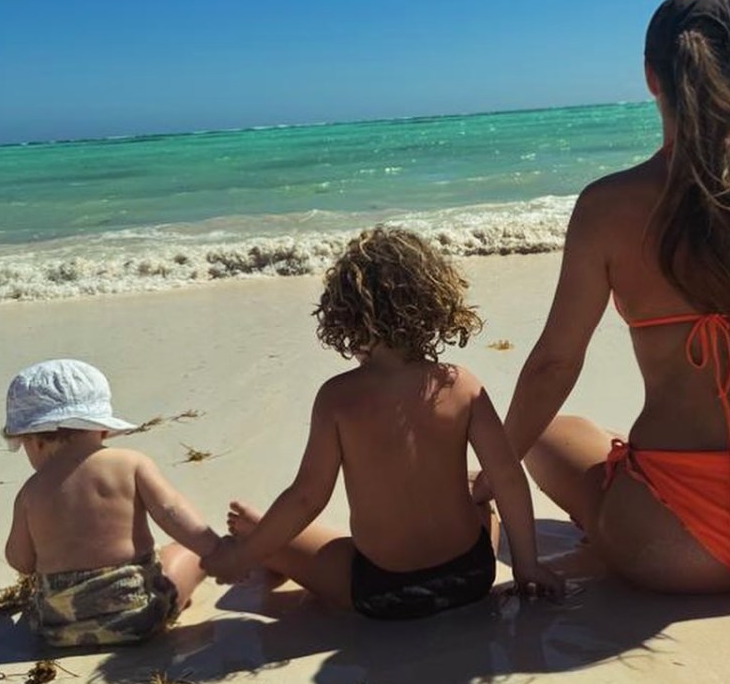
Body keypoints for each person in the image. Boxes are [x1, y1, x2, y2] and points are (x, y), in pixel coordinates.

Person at [480, 0, 730, 594]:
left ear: (651, 78)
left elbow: (554, 364)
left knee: (545, 432)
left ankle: (490, 516)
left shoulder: (607, 205)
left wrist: (489, 479)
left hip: (668, 544)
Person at [202, 226, 563, 619]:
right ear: (434, 302)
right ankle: (267, 534)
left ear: (344, 315)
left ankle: (261, 534)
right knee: (483, 503)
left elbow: (307, 497)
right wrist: (527, 564)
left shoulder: (337, 399)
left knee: (303, 551)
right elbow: (508, 478)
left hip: (381, 591)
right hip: (470, 578)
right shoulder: (462, 384)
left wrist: (244, 557)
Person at [3, 358, 221, 647]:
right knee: (185, 554)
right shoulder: (130, 464)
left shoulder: (30, 492)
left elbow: (21, 561)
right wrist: (219, 550)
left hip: (57, 629)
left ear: (36, 442)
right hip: (137, 616)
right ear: (103, 429)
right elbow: (171, 513)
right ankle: (184, 589)